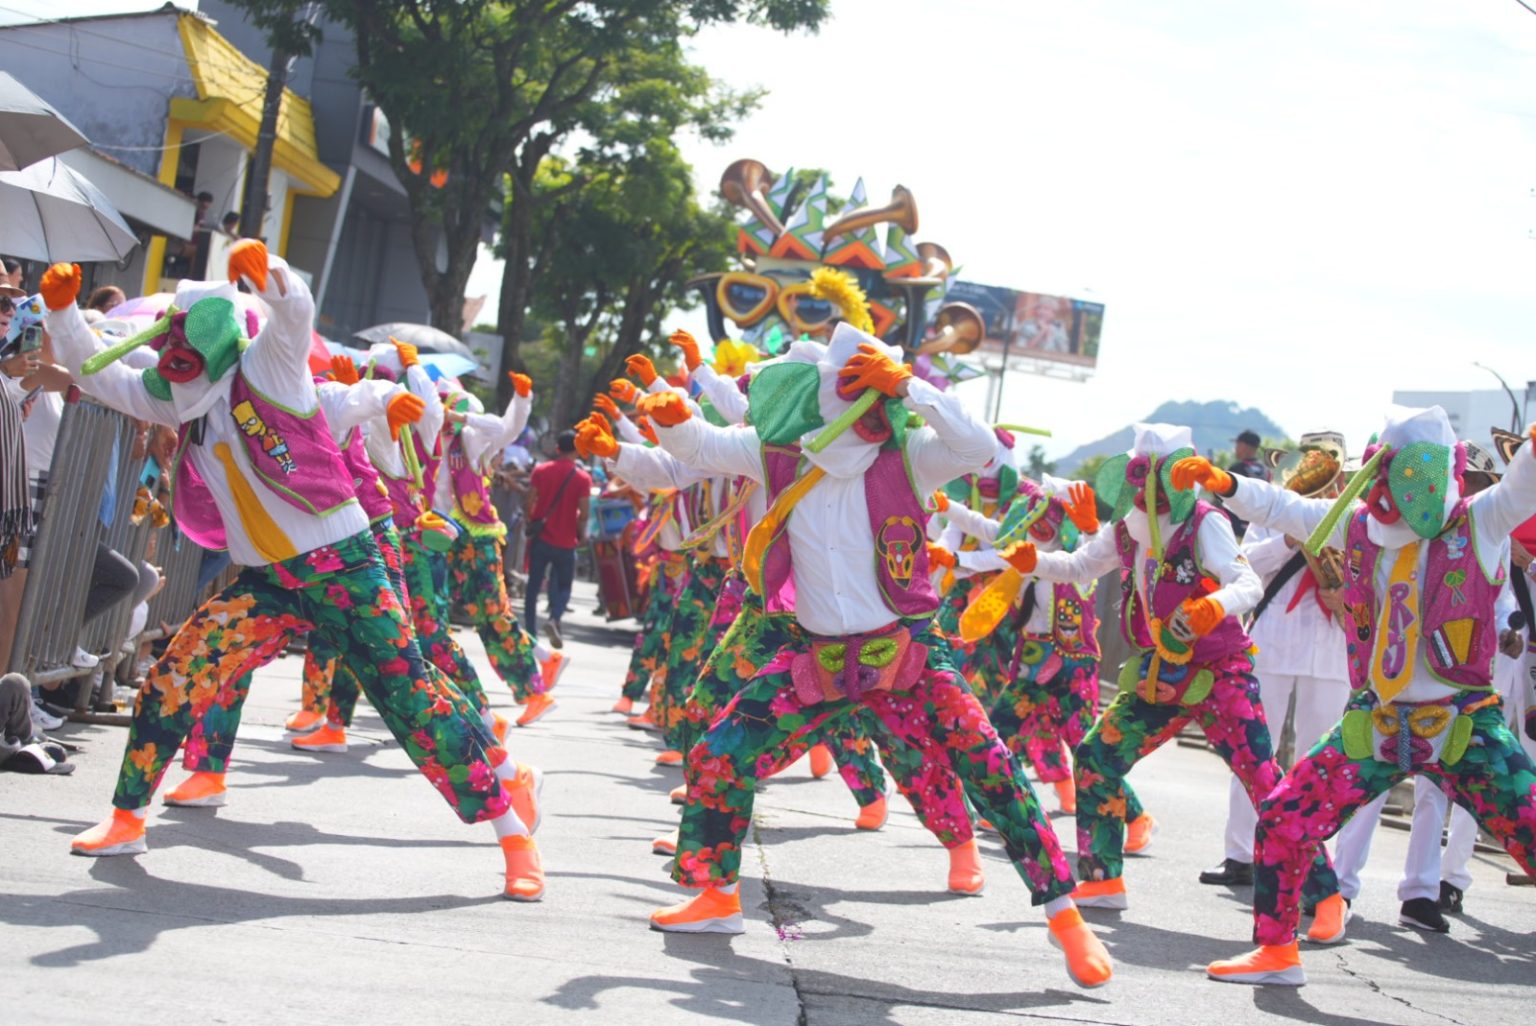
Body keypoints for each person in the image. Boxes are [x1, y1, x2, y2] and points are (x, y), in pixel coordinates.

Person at [41, 246, 547, 901]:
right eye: (169, 362)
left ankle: (513, 831)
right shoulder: (177, 402)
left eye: (185, 356)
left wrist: (273, 274)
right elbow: (97, 373)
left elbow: (294, 313)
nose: (172, 374)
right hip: (267, 582)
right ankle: (127, 817)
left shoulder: (269, 370)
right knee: (177, 673)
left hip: (347, 569)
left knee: (412, 702)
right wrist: (60, 315)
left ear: (216, 348)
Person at [637, 319, 1112, 990]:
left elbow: (978, 449)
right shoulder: (779, 454)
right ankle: (716, 896)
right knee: (721, 752)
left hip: (908, 654)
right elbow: (701, 444)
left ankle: (1067, 918)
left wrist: (913, 386)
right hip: (817, 658)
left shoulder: (912, 454)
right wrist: (669, 417)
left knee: (991, 769)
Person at [1180, 405, 1536, 987]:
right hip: (1376, 723)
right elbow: (1283, 507)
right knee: (1284, 817)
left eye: (1411, 473)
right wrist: (1229, 484)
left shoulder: (1481, 521)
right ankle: (1275, 951)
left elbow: (1523, 488)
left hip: (1463, 725)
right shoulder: (1358, 524)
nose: (1398, 490)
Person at [991, 424, 1343, 939]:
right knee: (1098, 758)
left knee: (1265, 783)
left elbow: (1245, 582)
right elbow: (1080, 564)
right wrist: (1034, 562)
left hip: (1221, 673)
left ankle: (1327, 895)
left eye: (1161, 477)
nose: (1150, 490)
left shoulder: (1206, 523)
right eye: (1142, 476)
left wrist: (1211, 606)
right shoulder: (1129, 528)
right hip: (1162, 674)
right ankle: (1102, 878)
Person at [1201, 432, 1352, 889]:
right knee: (1253, 749)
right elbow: (1243, 563)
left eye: (1327, 466)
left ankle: (1312, 863)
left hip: (1330, 650)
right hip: (1273, 640)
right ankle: (1240, 854)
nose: (1318, 474)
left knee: (1319, 759)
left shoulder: (1351, 514)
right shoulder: (1279, 509)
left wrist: (1348, 590)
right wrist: (1289, 541)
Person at [523, 429, 592, 647]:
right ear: (578, 451)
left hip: (541, 538)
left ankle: (531, 632)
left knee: (533, 587)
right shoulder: (583, 478)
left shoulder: (541, 471)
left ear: (557, 448)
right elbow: (585, 513)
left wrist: (530, 521)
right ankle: (554, 618)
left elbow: (529, 501)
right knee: (563, 586)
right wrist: (580, 534)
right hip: (565, 541)